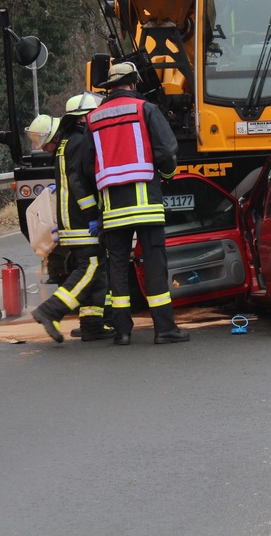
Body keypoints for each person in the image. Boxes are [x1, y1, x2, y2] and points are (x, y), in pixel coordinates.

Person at [85, 61, 189, 345]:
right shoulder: (145, 109)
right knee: (154, 262)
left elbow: (86, 165)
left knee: (117, 265)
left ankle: (122, 332)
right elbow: (167, 149)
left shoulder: (93, 118)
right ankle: (164, 329)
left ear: (110, 88)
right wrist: (167, 174)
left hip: (112, 208)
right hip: (146, 204)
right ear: (133, 83)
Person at [30, 93, 111, 342]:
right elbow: (79, 184)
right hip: (80, 223)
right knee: (92, 267)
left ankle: (92, 325)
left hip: (71, 222)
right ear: (82, 119)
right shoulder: (77, 141)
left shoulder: (67, 142)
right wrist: (93, 216)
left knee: (99, 274)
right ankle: (50, 310)